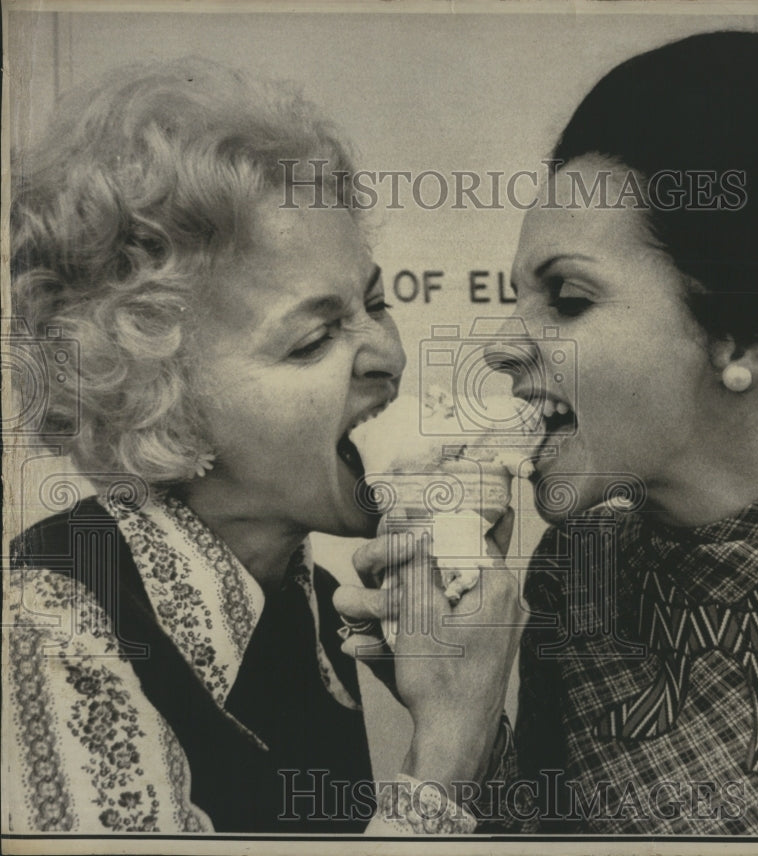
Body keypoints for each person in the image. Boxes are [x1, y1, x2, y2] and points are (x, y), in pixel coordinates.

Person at [341, 30, 758, 835]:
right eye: (517, 297)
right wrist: (456, 708)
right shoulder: (576, 563)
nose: (502, 346)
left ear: (743, 336)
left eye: (568, 299)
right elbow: (545, 837)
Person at [4, 58, 522, 834]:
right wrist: (445, 752)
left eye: (374, 303)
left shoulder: (301, 596)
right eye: (314, 338)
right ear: (163, 403)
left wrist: (466, 706)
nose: (387, 352)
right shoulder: (50, 635)